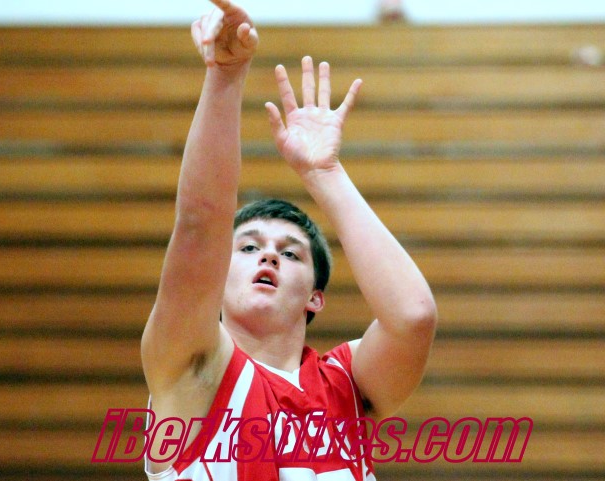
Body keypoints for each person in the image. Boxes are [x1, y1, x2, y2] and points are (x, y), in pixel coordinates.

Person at [141, 0, 437, 479]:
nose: (269, 255)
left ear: (315, 297)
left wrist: (325, 173)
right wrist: (225, 77)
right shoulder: (193, 370)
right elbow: (199, 226)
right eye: (249, 247)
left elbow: (414, 317)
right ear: (217, 278)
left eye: (291, 253)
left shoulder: (347, 384)